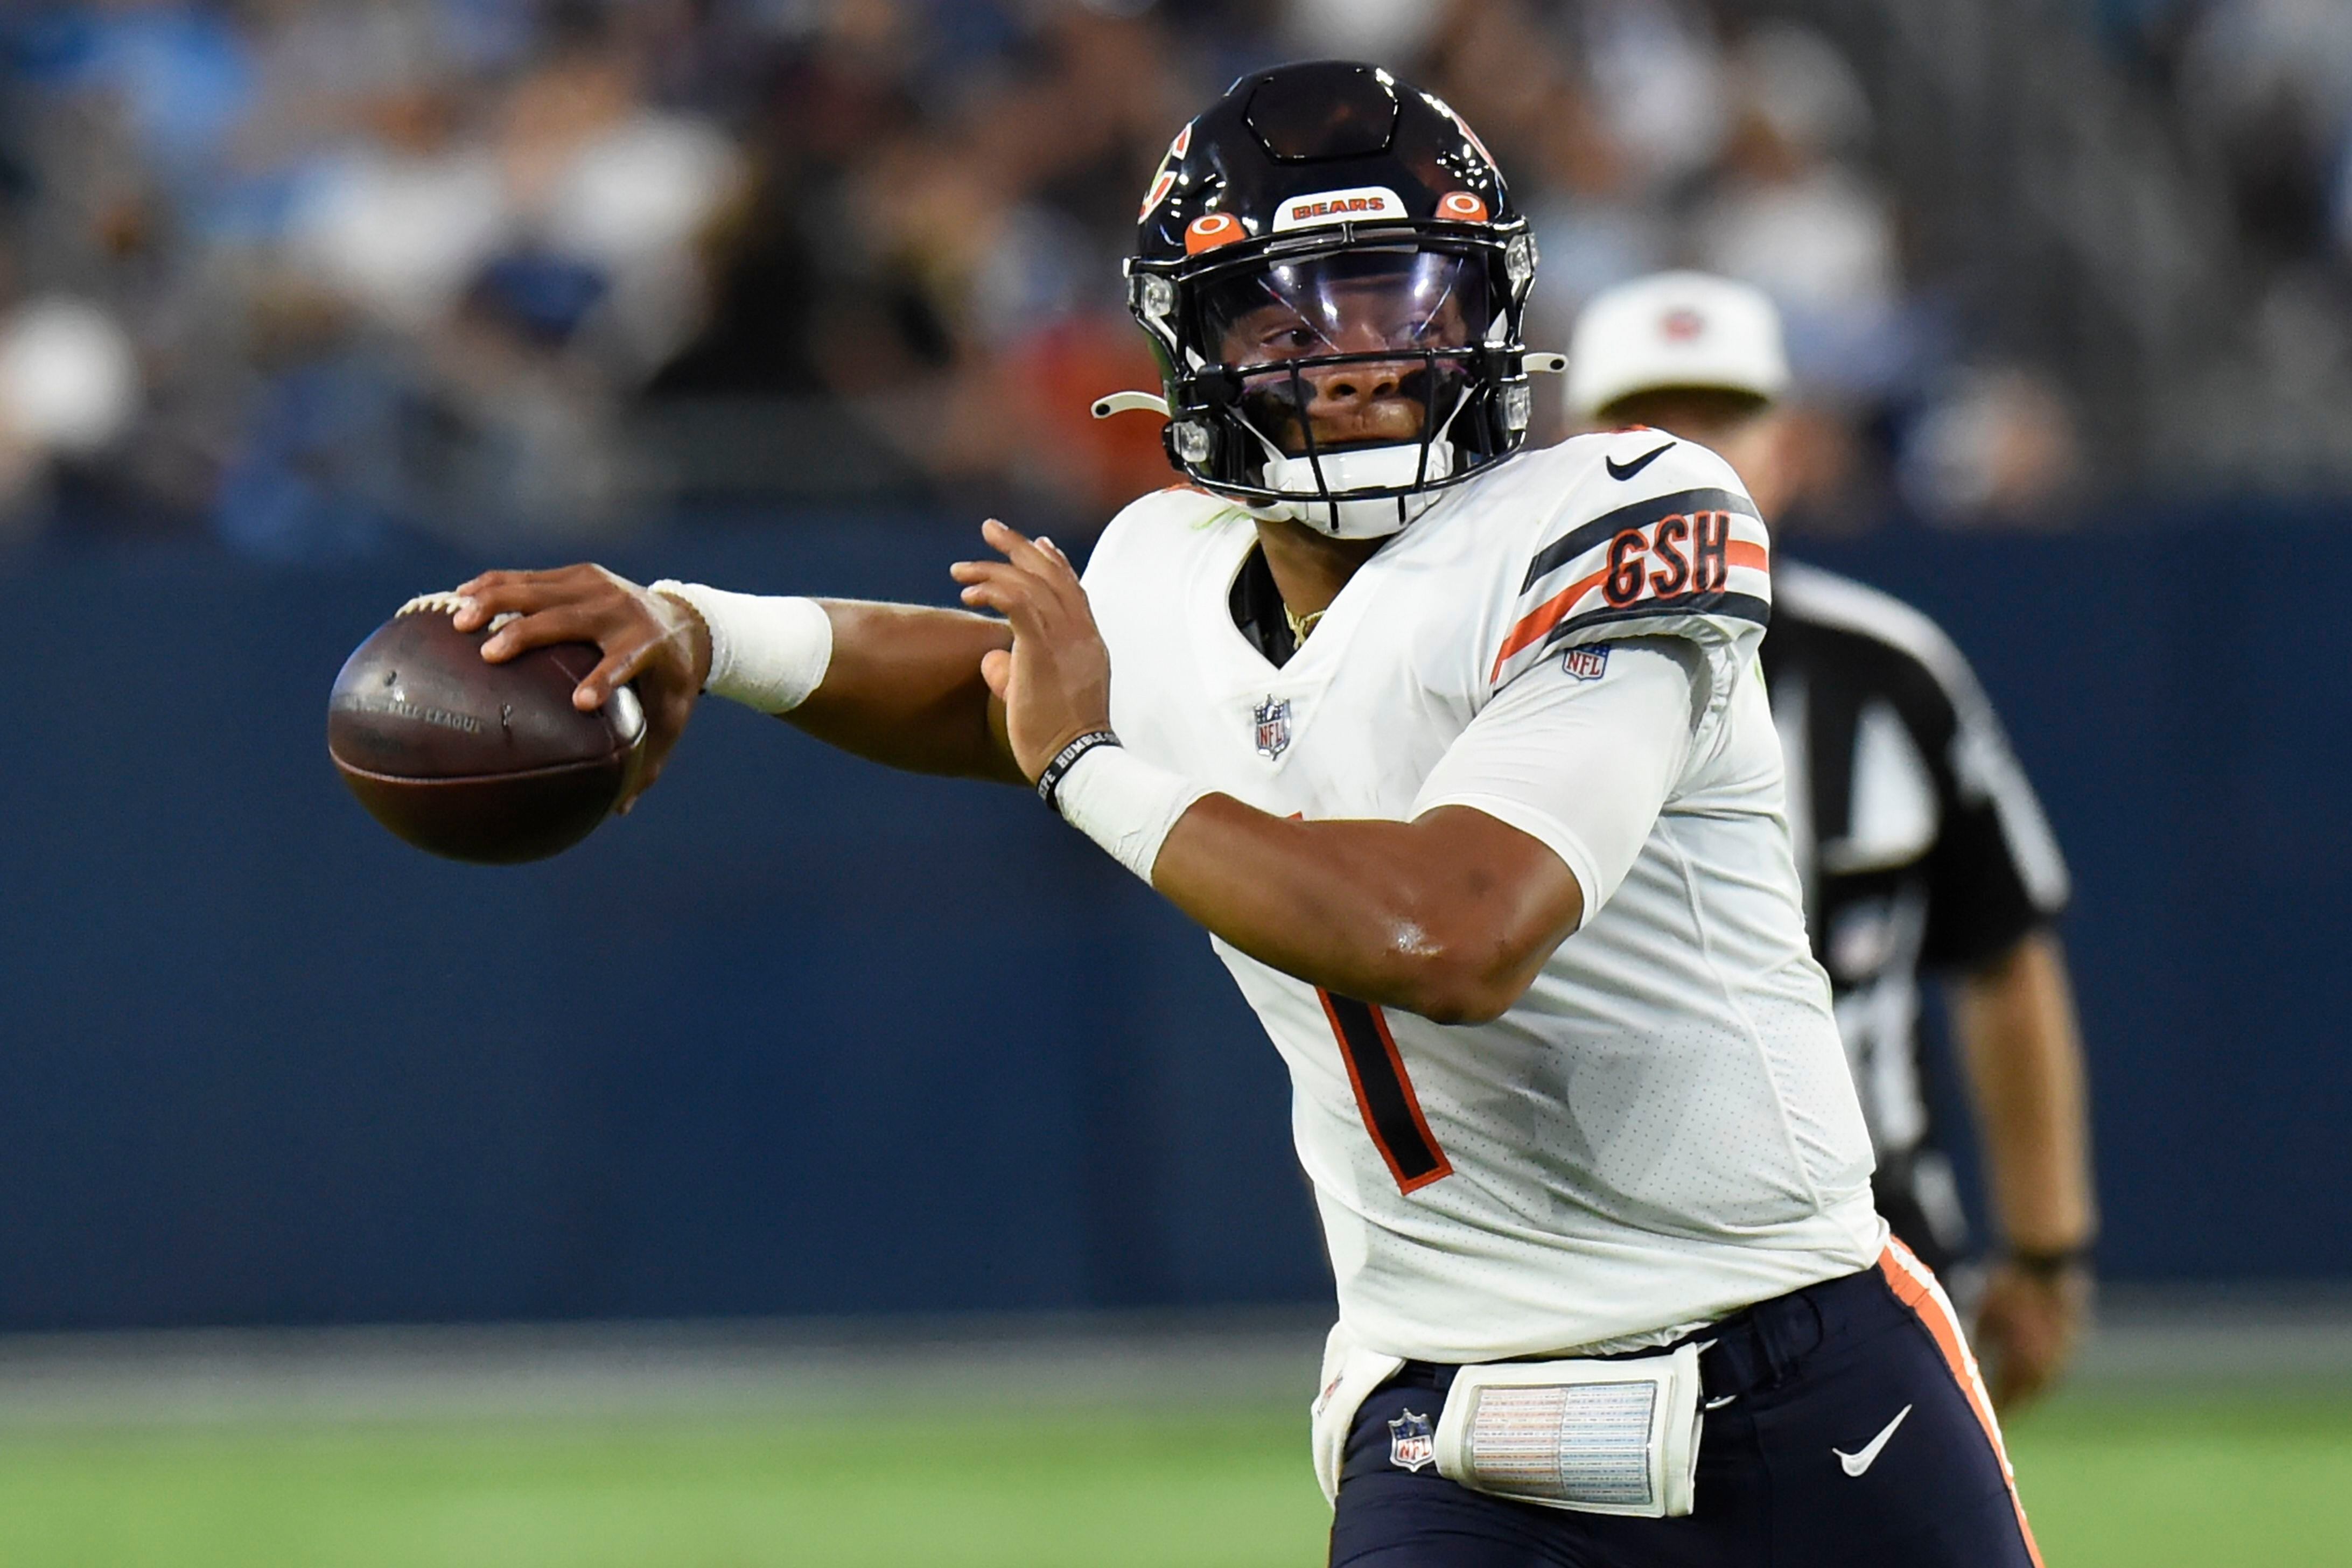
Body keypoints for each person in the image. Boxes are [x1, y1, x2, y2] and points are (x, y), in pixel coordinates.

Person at [451, 64, 2042, 1566]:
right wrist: (701, 627)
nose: (1354, 350)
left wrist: (1090, 774)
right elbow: (996, 684)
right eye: (1287, 310)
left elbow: (1458, 929)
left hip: (1801, 1353)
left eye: (1402, 292)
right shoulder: (1162, 562)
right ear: (1186, 345)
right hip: (1447, 1410)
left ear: (1491, 309)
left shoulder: (1621, 509)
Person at [1564, 270, 2097, 1412]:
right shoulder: (1499, 683)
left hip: (1874, 1244)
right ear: (1569, 450)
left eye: (1723, 417)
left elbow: (2004, 953)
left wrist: (2046, 1247)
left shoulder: (1893, 672)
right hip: (1588, 1266)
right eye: (1646, 421)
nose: (1687, 455)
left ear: (1792, 445)